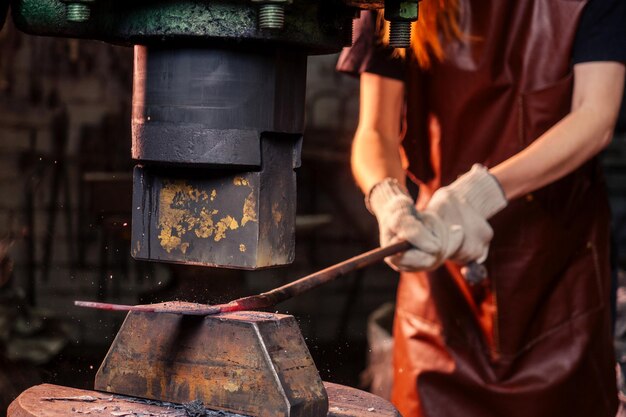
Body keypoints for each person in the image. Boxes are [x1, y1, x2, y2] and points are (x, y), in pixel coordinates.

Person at [337, 1, 626, 416]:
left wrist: (480, 194)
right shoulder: (397, 6)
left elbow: (595, 116)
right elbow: (375, 129)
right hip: (440, 268)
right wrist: (388, 199)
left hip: (558, 277)